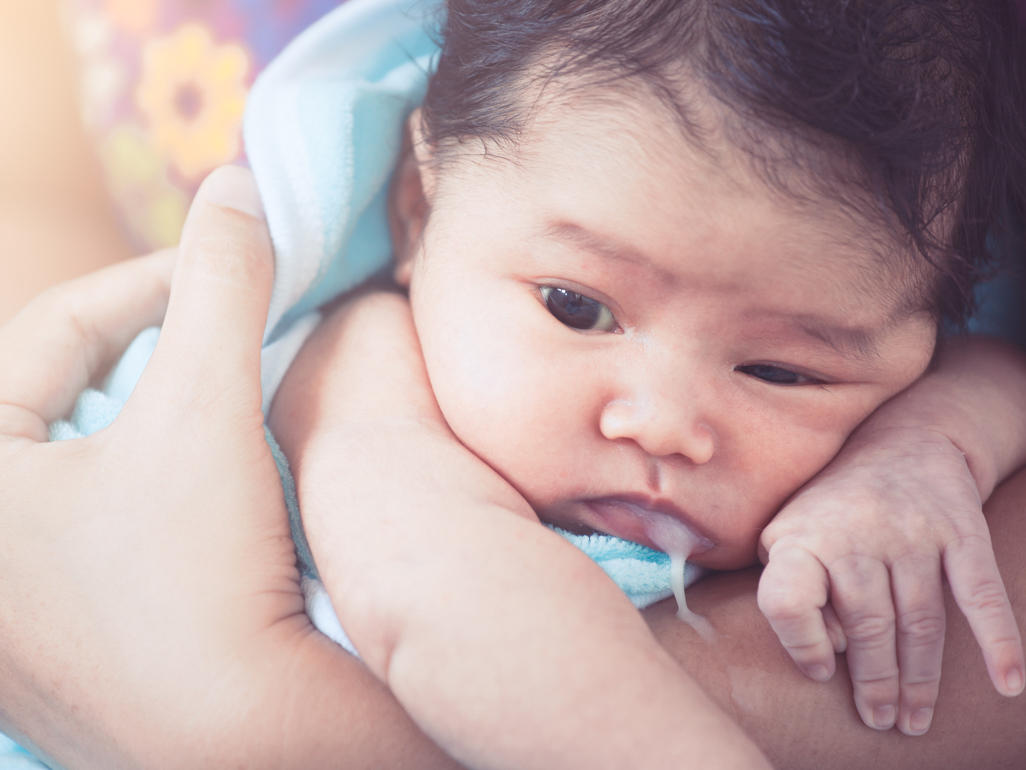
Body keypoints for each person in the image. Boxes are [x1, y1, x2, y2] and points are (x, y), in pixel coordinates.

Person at [2, 1, 1026, 768]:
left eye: (780, 368)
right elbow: (450, 606)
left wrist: (940, 440)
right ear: (415, 206)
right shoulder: (361, 378)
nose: (664, 424)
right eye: (577, 309)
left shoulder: (899, 371)